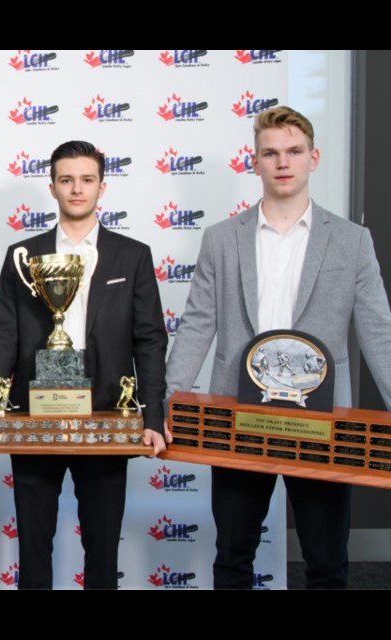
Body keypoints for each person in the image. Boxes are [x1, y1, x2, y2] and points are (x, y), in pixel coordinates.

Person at [165, 106, 391, 589]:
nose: (282, 162)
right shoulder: (221, 240)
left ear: (314, 157)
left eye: (293, 151)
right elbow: (198, 325)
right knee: (232, 561)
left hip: (324, 421)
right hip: (237, 417)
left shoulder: (353, 241)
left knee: (327, 565)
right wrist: (168, 400)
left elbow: (379, 332)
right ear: (256, 161)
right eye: (271, 153)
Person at [0, 140, 168, 589]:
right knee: (33, 550)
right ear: (53, 187)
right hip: (33, 420)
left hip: (105, 419)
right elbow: (4, 339)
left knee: (103, 549)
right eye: (66, 180)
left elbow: (150, 340)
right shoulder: (24, 256)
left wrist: (153, 414)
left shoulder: (131, 255)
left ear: (102, 186)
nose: (77, 189)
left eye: (86, 180)